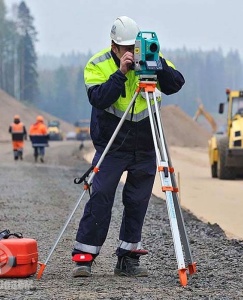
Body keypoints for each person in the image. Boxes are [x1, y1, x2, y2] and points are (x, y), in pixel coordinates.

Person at [72, 16, 185, 278]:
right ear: (113, 46)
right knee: (100, 197)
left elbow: (176, 84)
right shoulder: (97, 64)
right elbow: (98, 98)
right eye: (125, 48)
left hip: (145, 145)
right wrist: (121, 73)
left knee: (137, 201)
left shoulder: (151, 56)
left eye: (132, 47)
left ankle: (128, 258)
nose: (130, 53)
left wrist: (158, 66)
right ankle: (84, 256)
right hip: (112, 145)